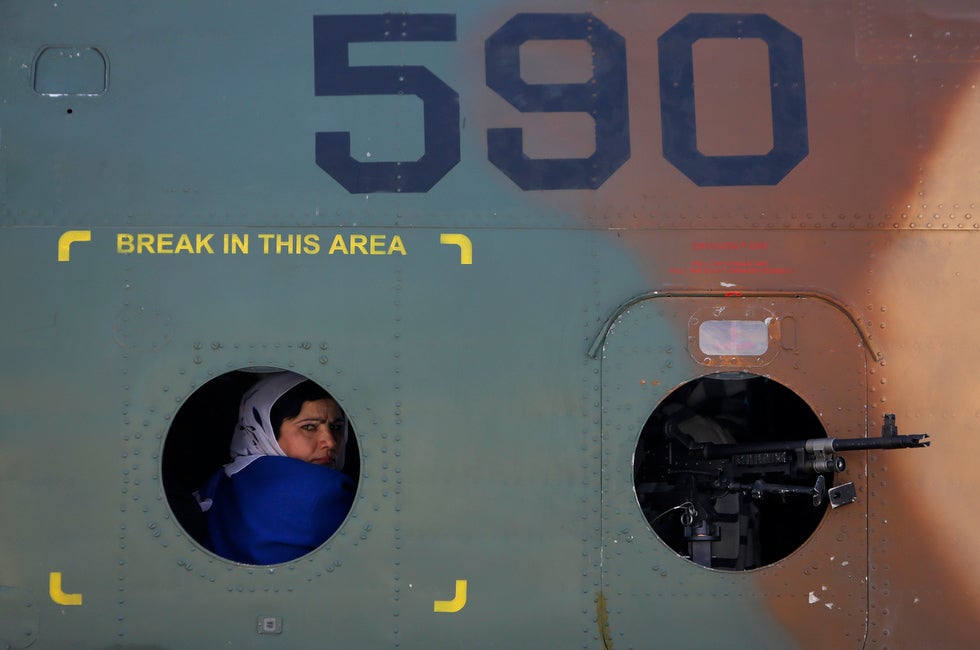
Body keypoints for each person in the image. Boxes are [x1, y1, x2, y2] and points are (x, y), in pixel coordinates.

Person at [196, 371, 355, 564]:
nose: (330, 442)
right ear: (266, 429)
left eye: (336, 427)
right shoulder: (323, 489)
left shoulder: (220, 481)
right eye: (309, 427)